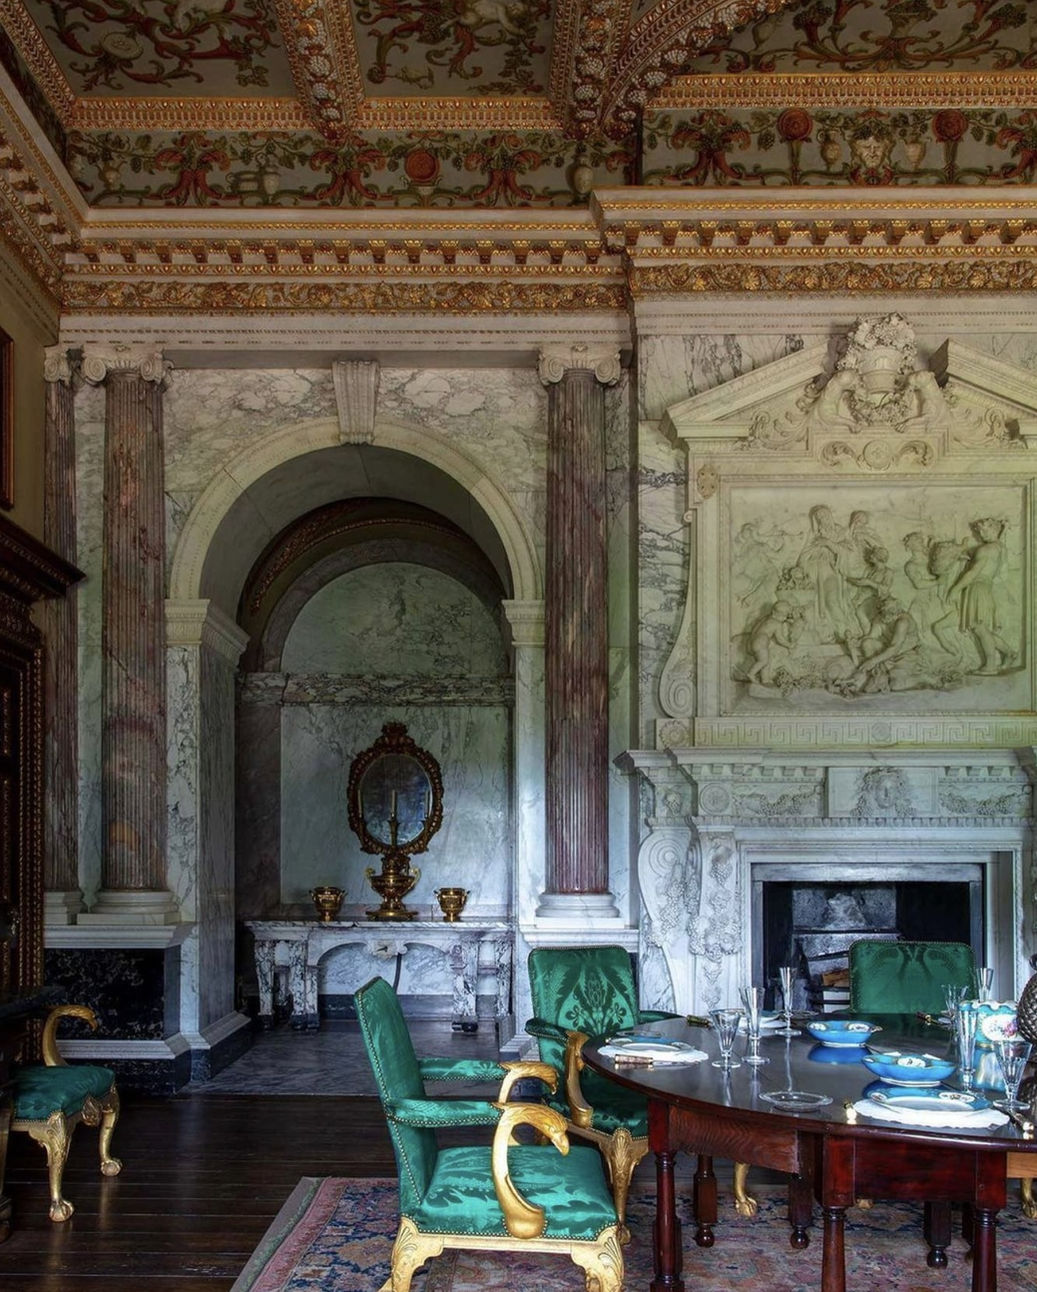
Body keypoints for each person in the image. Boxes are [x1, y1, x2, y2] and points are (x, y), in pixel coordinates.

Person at [952, 517, 1017, 675]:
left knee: (980, 629)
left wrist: (955, 588)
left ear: (994, 529)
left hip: (977, 588)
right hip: (985, 588)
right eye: (979, 531)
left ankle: (990, 666)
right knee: (983, 629)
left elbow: (973, 573)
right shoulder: (998, 546)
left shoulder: (985, 549)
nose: (981, 534)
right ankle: (1009, 653)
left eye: (985, 530)